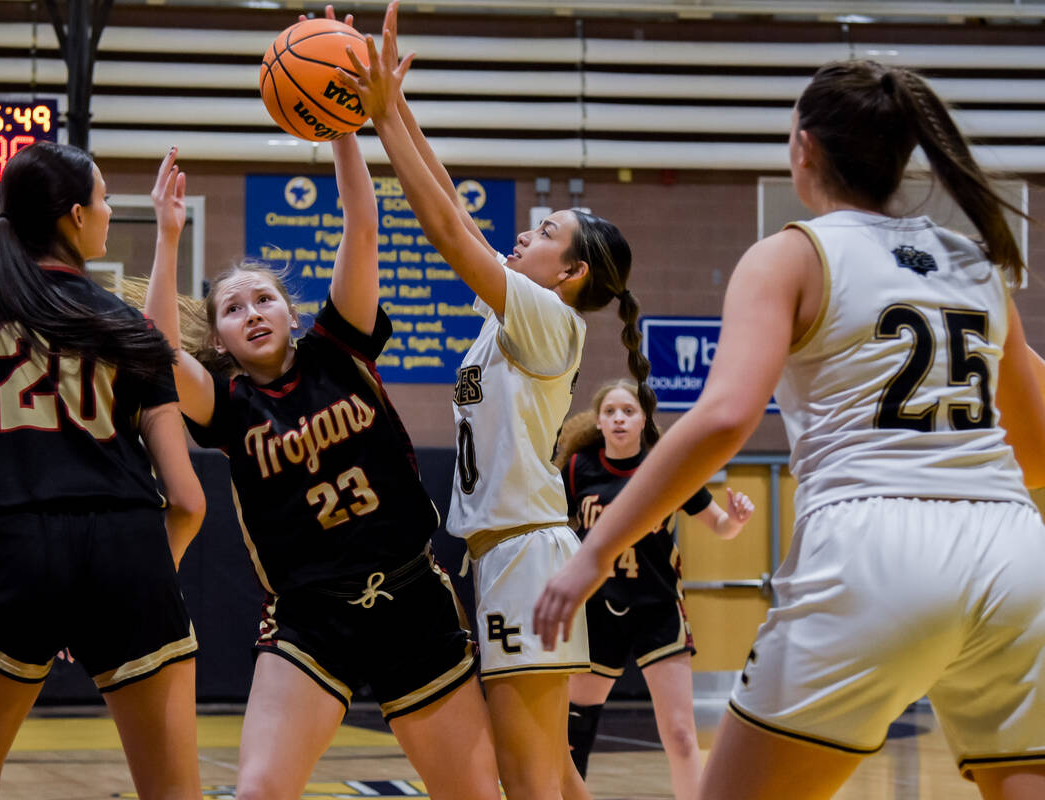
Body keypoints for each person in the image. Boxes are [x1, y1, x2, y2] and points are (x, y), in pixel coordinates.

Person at [535, 60, 1045, 800]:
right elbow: (1034, 449)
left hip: (873, 547)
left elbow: (725, 418)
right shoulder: (976, 266)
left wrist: (594, 554)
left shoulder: (789, 253)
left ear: (802, 147)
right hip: (1014, 549)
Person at [143, 17, 500, 797]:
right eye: (234, 310)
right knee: (261, 790)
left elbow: (362, 226)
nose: (253, 312)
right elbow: (156, 357)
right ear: (225, 341)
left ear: (292, 311)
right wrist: (168, 238)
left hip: (411, 593)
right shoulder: (228, 402)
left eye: (264, 297)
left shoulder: (339, 349)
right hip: (310, 615)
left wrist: (344, 125)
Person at [338, 7, 656, 798]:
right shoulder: (514, 312)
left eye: (545, 230)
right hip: (504, 556)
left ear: (570, 272)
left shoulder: (548, 322)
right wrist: (396, 110)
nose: (523, 234)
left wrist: (381, 122)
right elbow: (453, 204)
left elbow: (448, 231)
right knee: (550, 777)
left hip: (524, 553)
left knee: (527, 783)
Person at [0, 141, 206, 800]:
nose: (111, 212)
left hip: (7, 550)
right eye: (105, 198)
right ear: (74, 217)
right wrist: (122, 582)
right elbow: (189, 500)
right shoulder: (130, 327)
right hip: (127, 545)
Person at [555, 380, 753, 798]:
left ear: (643, 419)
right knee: (575, 730)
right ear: (599, 421)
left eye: (628, 411)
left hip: (658, 608)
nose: (619, 419)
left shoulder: (668, 467)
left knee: (681, 734)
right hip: (598, 610)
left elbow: (719, 525)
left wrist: (735, 519)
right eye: (610, 412)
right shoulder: (577, 470)